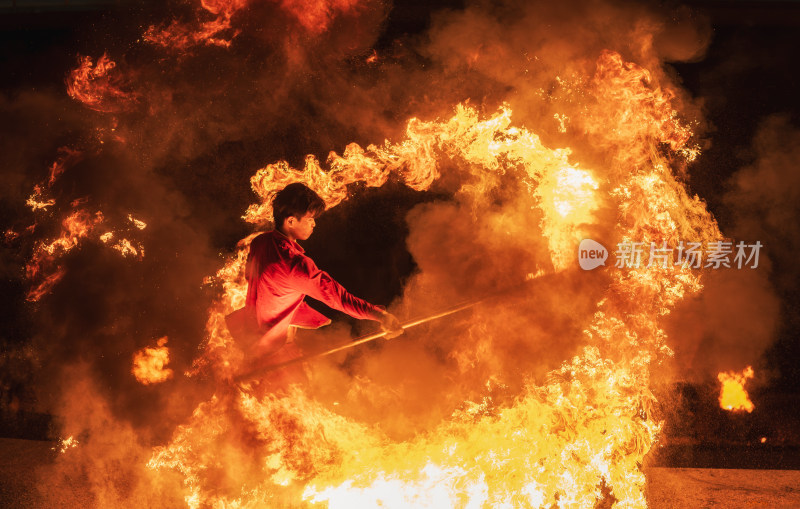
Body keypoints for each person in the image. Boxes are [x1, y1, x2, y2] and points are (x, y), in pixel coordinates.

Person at [234, 182, 402, 384]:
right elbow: (338, 298)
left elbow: (251, 278)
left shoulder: (259, 242)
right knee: (292, 402)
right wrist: (380, 315)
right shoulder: (296, 266)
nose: (314, 224)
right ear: (290, 221)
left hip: (249, 337)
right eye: (310, 219)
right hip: (274, 351)